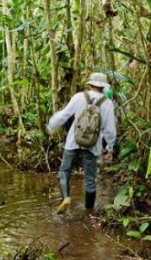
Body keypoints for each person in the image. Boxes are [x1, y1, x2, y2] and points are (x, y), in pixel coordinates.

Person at [47, 72, 116, 212]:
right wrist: (110, 146)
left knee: (64, 171)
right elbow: (109, 129)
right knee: (90, 180)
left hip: (73, 141)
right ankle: (89, 211)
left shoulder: (79, 97)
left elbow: (65, 115)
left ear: (89, 84)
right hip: (92, 145)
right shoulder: (107, 103)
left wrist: (51, 125)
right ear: (103, 87)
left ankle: (66, 198)